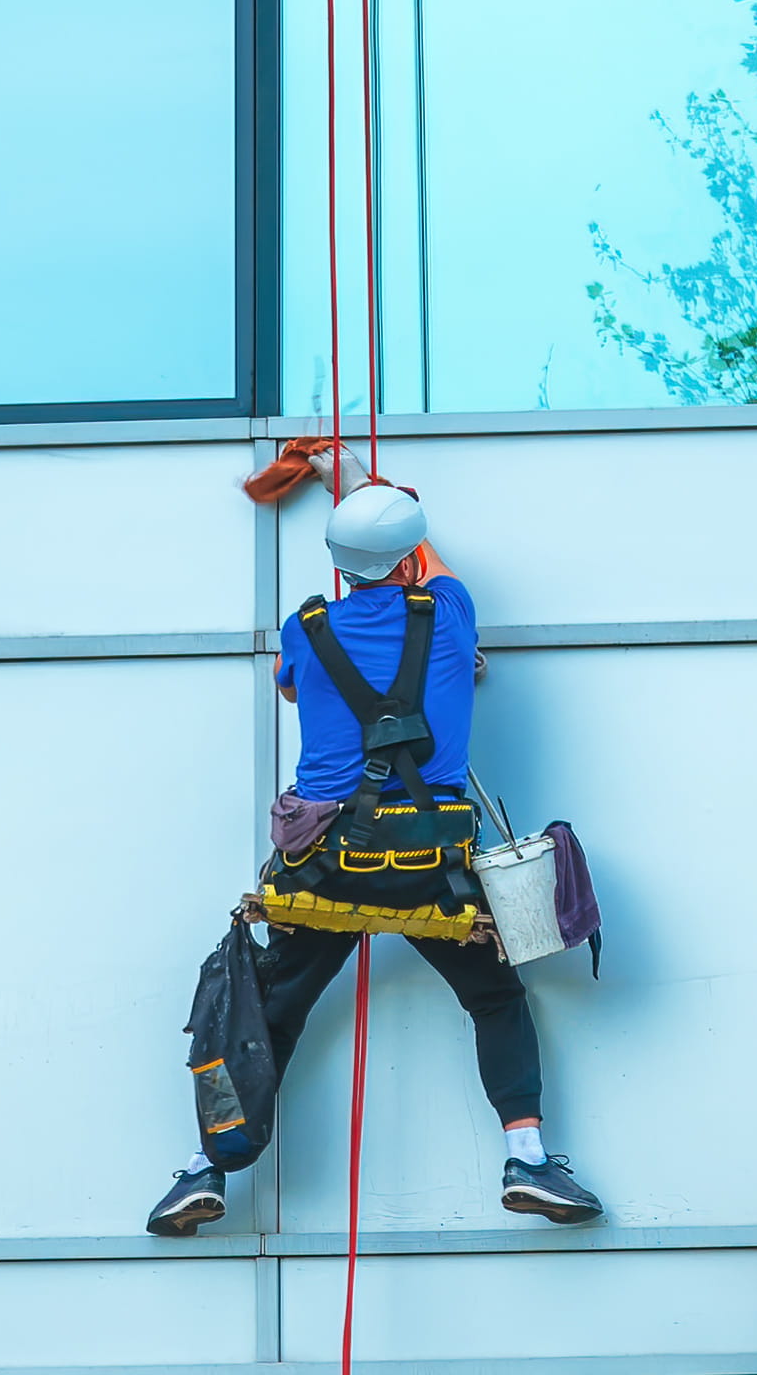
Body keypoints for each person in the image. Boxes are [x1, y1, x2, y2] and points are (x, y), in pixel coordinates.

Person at [147, 482, 602, 1234]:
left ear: (337, 561)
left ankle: (206, 1170)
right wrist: (354, 474)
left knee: (274, 1008)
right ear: (410, 559)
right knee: (493, 998)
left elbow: (291, 689)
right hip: (433, 867)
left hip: (327, 864)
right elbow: (432, 563)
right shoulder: (450, 615)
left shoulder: (305, 627)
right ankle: (528, 1157)